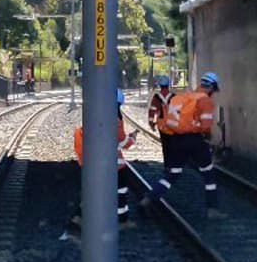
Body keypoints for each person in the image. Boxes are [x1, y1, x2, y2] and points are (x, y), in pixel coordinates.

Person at [140, 72, 223, 218]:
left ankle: (149, 198)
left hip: (178, 139)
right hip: (195, 140)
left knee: (173, 174)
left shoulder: (187, 96)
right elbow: (205, 126)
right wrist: (208, 137)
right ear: (212, 87)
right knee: (208, 172)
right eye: (214, 90)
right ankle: (213, 210)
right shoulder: (205, 100)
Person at [60, 89, 138, 241]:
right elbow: (123, 142)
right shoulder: (115, 119)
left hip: (94, 164)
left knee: (93, 194)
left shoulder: (93, 115)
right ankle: (122, 220)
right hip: (113, 166)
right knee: (120, 191)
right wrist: (133, 138)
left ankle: (73, 227)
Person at [147, 74, 174, 173]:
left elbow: (152, 110)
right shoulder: (174, 97)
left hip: (162, 125)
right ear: (168, 85)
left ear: (159, 85)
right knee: (174, 145)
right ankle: (175, 164)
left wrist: (151, 123)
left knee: (166, 146)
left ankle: (167, 166)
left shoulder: (157, 97)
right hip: (173, 125)